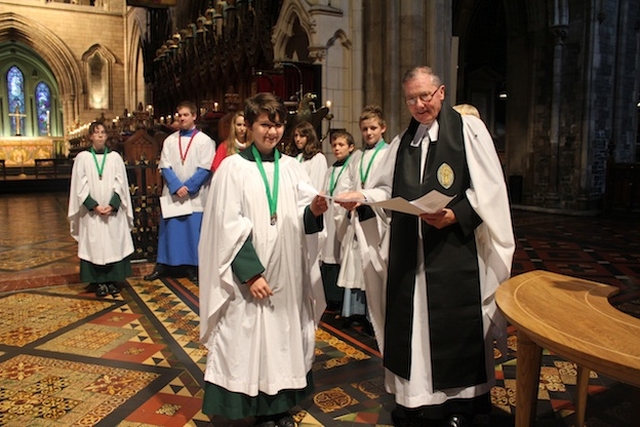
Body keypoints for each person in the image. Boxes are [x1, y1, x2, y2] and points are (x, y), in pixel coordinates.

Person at [338, 66, 515, 427]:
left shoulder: (467, 131)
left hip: (453, 252)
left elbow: (490, 190)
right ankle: (415, 399)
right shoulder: (405, 139)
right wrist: (363, 196)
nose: (419, 105)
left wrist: (456, 214)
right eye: (411, 99)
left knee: (453, 326)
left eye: (425, 96)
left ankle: (458, 405)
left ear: (441, 92)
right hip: (410, 253)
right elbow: (387, 189)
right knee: (414, 328)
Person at [198, 92, 328, 427]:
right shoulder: (232, 168)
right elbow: (226, 226)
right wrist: (251, 274)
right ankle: (250, 408)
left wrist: (314, 212)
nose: (272, 132)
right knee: (248, 339)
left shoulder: (292, 168)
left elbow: (301, 216)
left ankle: (279, 408)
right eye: (265, 124)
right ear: (250, 127)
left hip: (287, 274)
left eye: (278, 124)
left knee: (283, 341)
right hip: (250, 280)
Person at [144, 101, 215, 283]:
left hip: (195, 196)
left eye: (185, 115)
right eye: (179, 115)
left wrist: (189, 187)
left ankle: (192, 267)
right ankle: (163, 265)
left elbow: (205, 168)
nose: (181, 118)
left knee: (192, 232)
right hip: (174, 194)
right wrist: (177, 186)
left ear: (194, 116)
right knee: (170, 231)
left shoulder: (205, 141)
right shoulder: (169, 140)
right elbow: (165, 166)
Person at [68, 121, 134, 298]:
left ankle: (113, 279)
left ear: (106, 136)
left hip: (112, 212)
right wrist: (94, 206)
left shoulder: (115, 157)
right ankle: (98, 281)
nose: (100, 135)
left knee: (113, 242)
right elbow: (79, 186)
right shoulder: (82, 158)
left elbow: (121, 183)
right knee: (94, 244)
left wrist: (113, 204)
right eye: (96, 132)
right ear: (90, 136)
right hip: (92, 214)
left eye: (103, 133)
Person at [338, 105, 389, 325]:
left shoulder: (388, 153)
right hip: (358, 213)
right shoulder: (357, 157)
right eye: (365, 129)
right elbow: (351, 181)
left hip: (378, 215)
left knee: (375, 264)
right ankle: (356, 311)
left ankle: (375, 313)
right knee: (357, 263)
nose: (368, 133)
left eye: (373, 128)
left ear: (383, 128)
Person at [320, 130, 355, 312]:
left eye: (341, 145)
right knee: (329, 256)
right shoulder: (331, 169)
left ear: (351, 147)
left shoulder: (352, 168)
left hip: (344, 219)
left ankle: (342, 300)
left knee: (342, 257)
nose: (336, 148)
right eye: (334, 145)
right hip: (330, 217)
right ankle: (331, 298)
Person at [288, 120, 328, 191]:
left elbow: (317, 185)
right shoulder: (296, 157)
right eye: (295, 136)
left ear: (309, 137)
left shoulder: (318, 158)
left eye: (302, 136)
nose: (297, 139)